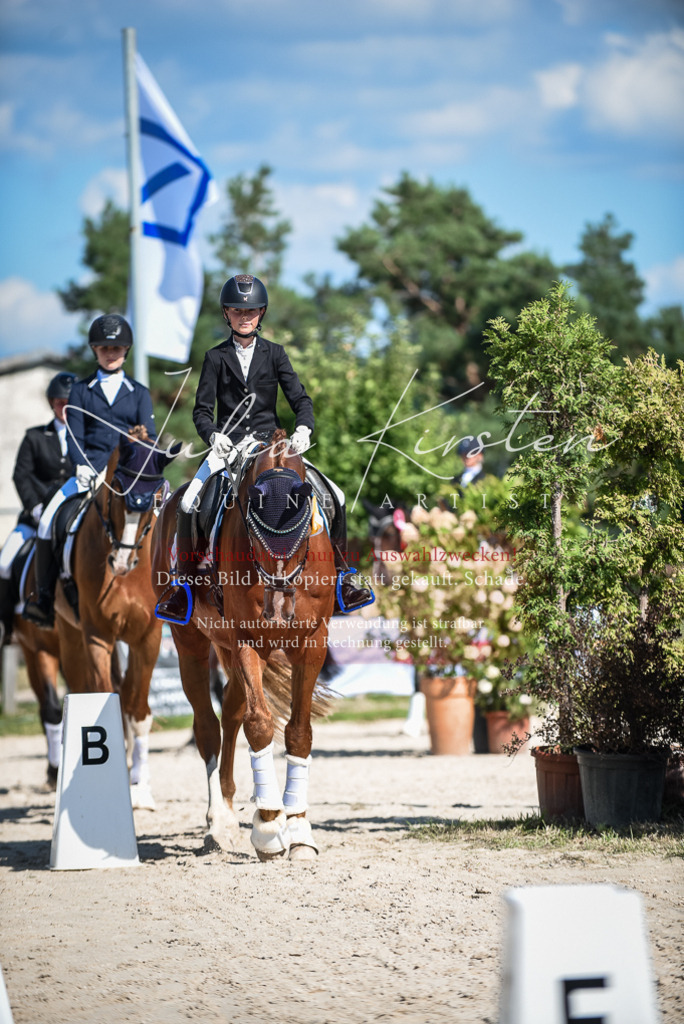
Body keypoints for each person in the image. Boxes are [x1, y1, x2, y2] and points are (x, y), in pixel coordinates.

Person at [155, 273, 373, 623]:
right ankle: (182, 585)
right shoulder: (215, 357)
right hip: (227, 448)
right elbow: (201, 410)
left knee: (337, 495)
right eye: (238, 311)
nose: (245, 316)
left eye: (252, 310)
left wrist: (303, 427)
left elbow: (300, 399)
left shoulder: (275, 354)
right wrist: (213, 436)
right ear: (226, 314)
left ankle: (345, 577)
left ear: (262, 313)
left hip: (271, 446)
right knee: (186, 501)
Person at [22, 314, 156, 628]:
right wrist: (83, 467)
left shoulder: (138, 392)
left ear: (126, 350)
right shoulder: (81, 391)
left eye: (117, 347)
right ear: (95, 349)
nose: (111, 353)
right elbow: (74, 435)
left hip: (127, 477)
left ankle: (167, 589)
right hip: (88, 471)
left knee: (159, 520)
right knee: (48, 522)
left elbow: (147, 437)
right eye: (104, 347)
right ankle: (44, 597)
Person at [0, 372, 77, 645]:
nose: (64, 407)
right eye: (59, 402)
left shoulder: (88, 439)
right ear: (51, 404)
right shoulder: (34, 437)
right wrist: (33, 507)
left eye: (70, 402)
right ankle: (5, 627)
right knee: (4, 562)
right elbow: (20, 475)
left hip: (73, 519)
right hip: (35, 517)